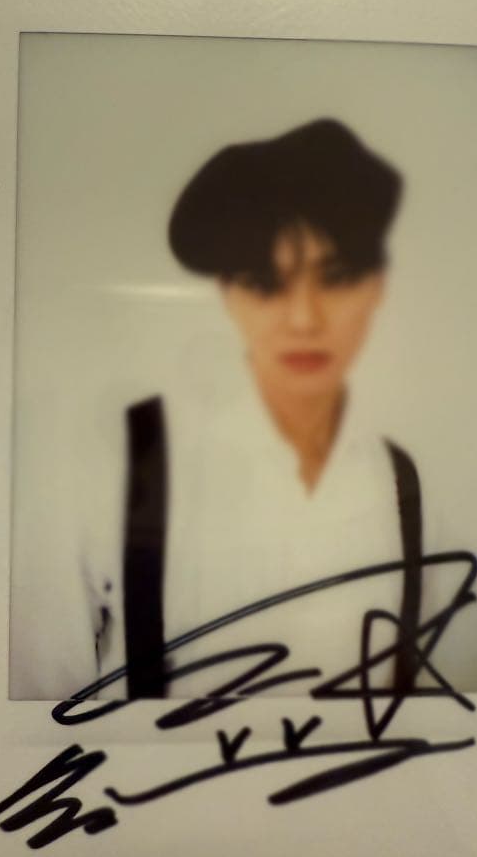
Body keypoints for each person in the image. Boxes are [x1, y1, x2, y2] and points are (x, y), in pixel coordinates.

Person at [83, 118, 424, 701]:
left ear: (376, 288)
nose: (304, 318)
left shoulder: (403, 482)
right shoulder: (113, 463)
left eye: (337, 276)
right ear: (227, 294)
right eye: (266, 282)